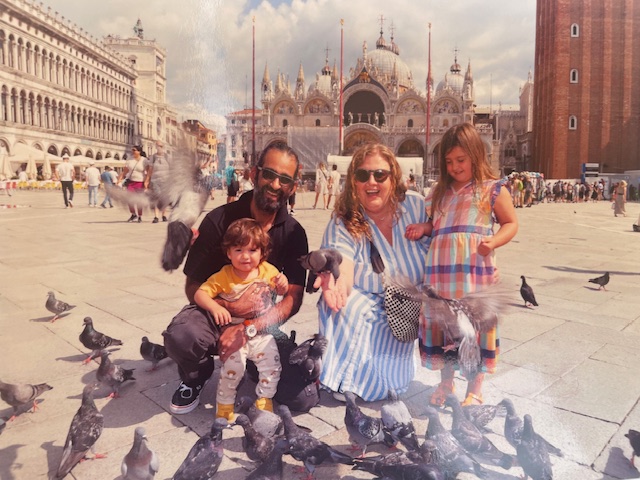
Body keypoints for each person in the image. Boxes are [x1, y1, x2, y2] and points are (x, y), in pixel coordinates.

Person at [163, 141, 309, 415]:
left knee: (302, 398)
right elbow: (193, 284)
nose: (276, 185)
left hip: (262, 323)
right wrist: (229, 308)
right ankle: (197, 373)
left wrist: (249, 328)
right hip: (215, 313)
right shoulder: (220, 219)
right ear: (255, 174)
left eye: (285, 179)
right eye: (269, 174)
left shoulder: (294, 232)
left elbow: (294, 296)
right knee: (182, 335)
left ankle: (253, 366)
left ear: (293, 187)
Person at [405, 123, 518, 407]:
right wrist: (424, 227)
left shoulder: (491, 189)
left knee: (475, 329)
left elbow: (511, 223)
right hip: (442, 277)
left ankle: (475, 387)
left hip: (473, 276)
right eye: (449, 161)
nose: (455, 167)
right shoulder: (438, 192)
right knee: (446, 328)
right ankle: (446, 384)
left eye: (461, 160)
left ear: (476, 156)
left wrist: (493, 242)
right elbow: (438, 225)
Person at [314, 143, 430, 402]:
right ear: (353, 181)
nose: (371, 182)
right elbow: (342, 261)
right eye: (362, 175)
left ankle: (379, 380)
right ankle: (342, 380)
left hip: (410, 304)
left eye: (380, 175)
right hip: (367, 297)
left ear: (394, 177)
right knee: (342, 305)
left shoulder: (416, 206)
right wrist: (337, 284)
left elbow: (447, 235)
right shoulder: (345, 219)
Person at [194, 218, 288, 419]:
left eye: (252, 250)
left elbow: (283, 290)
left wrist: (282, 284)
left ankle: (264, 400)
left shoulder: (267, 270)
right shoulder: (224, 275)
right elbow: (200, 294)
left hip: (262, 331)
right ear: (228, 253)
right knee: (233, 369)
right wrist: (213, 306)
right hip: (234, 332)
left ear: (262, 252)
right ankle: (225, 403)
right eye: (238, 250)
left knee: (272, 366)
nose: (245, 256)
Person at [118, 145, 151, 223]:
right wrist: (119, 179)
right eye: (132, 150)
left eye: (134, 150)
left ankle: (139, 215)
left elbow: (148, 172)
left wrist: (147, 182)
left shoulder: (144, 160)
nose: (132, 151)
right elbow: (125, 171)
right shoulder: (129, 160)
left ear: (139, 151)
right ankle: (133, 214)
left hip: (140, 182)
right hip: (131, 182)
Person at [148, 141, 170, 223]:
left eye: (160, 146)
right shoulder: (153, 157)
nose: (158, 147)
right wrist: (147, 180)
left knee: (164, 199)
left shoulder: (168, 157)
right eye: (157, 146)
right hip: (155, 181)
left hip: (166, 181)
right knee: (156, 198)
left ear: (163, 147)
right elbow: (150, 169)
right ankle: (156, 217)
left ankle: (164, 215)